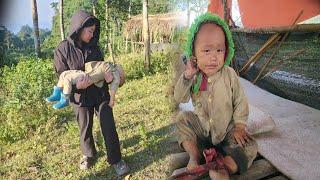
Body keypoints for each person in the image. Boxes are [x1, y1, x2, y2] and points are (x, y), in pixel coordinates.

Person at [174, 13, 258, 179]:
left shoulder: (230, 74)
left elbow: (240, 101)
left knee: (250, 145)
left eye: (219, 50)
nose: (214, 57)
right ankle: (194, 156)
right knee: (182, 118)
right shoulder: (194, 76)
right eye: (206, 50)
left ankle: (223, 165)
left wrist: (240, 127)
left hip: (227, 131)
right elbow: (180, 98)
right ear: (194, 54)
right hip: (202, 130)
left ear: (226, 51)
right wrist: (187, 76)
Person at [53, 10, 129, 175]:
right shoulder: (62, 49)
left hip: (100, 93)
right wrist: (76, 88)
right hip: (79, 97)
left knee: (108, 124)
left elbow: (102, 68)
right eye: (89, 31)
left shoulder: (94, 46)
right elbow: (61, 77)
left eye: (94, 31)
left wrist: (108, 78)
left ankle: (116, 159)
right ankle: (88, 154)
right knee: (85, 127)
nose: (92, 34)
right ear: (79, 29)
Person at [46, 61, 125, 110]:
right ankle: (57, 93)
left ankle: (65, 99)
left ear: (120, 77)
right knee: (64, 74)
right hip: (86, 72)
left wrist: (111, 101)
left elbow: (113, 88)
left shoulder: (116, 75)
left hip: (87, 78)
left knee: (67, 79)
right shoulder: (110, 66)